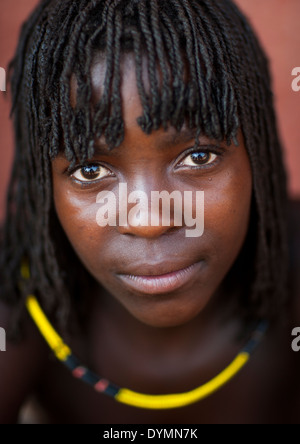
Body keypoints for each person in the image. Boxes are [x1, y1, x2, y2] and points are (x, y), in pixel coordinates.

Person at [0, 0, 299, 424]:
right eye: (90, 169)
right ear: (44, 185)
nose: (149, 220)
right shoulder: (20, 305)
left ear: (258, 155)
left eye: (198, 157)